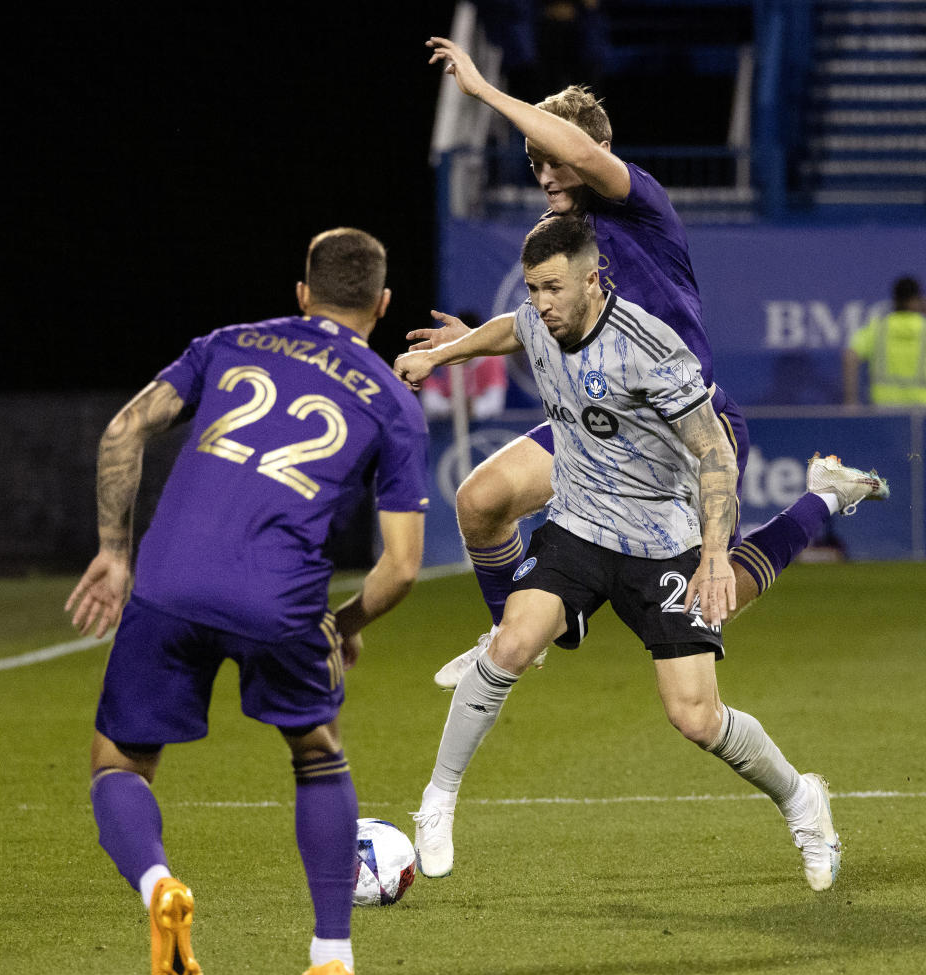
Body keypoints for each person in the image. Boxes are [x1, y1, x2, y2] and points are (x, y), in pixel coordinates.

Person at [415, 36, 889, 690]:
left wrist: (486, 93)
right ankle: (510, 636)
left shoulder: (640, 202)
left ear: (595, 154)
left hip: (687, 428)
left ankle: (822, 498)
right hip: (600, 423)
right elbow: (527, 323)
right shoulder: (568, 244)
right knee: (480, 499)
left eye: (554, 157)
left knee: (709, 599)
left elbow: (579, 151)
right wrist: (455, 347)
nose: (545, 173)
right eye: (534, 161)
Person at [396, 215, 842, 894]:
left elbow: (714, 449)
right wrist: (444, 354)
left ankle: (800, 799)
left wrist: (715, 554)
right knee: (511, 643)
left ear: (592, 278)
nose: (542, 302)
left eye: (553, 287)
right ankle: (438, 797)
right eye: (533, 287)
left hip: (660, 543)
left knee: (695, 716)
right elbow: (511, 327)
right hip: (578, 528)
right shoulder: (539, 319)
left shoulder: (648, 348)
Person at [65, 228, 429, 975]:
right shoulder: (394, 401)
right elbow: (401, 566)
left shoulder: (231, 342)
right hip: (278, 598)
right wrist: (342, 625)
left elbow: (125, 428)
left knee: (118, 762)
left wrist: (113, 551)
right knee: (315, 748)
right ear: (383, 305)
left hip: (169, 578)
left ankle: (158, 881)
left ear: (303, 292)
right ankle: (332, 954)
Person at [844, 276, 926, 406]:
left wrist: (850, 402)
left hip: (884, 410)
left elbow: (850, 356)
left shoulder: (878, 328)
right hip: (921, 411)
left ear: (895, 299)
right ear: (917, 300)